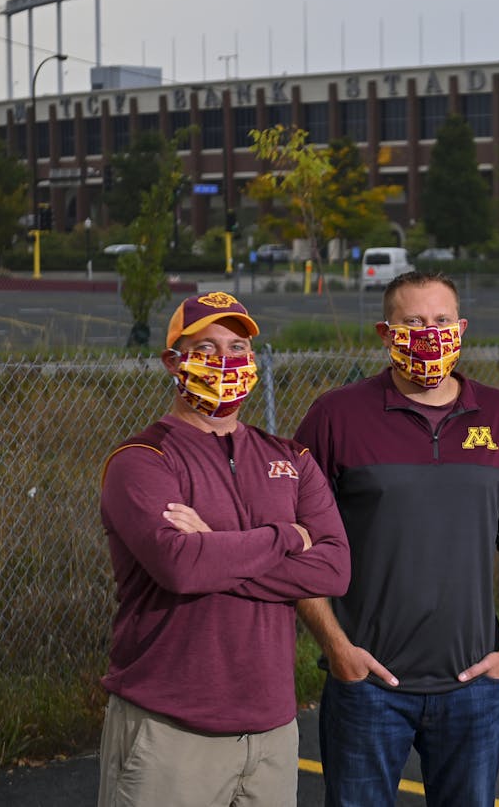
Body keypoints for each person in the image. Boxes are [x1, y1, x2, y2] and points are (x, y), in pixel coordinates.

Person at [294, 271, 499, 807]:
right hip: (367, 686)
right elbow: (300, 546)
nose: (429, 334)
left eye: (441, 321)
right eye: (413, 323)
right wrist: (337, 649)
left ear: (462, 328)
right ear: (385, 333)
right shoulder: (336, 416)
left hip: (473, 687)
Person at [98, 291, 351, 807]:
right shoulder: (141, 460)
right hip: (172, 732)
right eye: (207, 348)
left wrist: (213, 546)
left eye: (237, 347)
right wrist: (286, 537)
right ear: (173, 361)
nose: (225, 362)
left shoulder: (290, 457)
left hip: (273, 735)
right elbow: (181, 568)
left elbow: (334, 570)